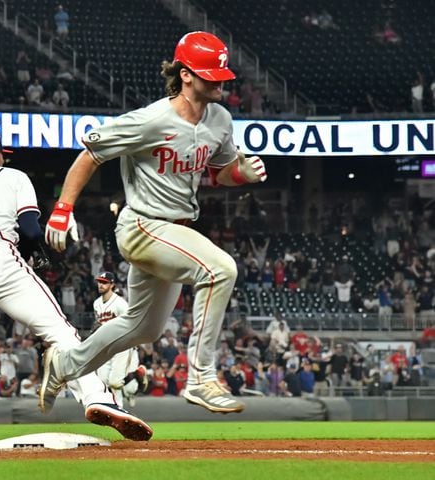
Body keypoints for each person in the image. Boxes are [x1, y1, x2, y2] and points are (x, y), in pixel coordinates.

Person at [41, 32, 267, 416]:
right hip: (142, 226)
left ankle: (64, 364)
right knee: (220, 269)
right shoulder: (150, 120)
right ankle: (201, 377)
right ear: (185, 75)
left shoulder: (220, 120)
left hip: (175, 231)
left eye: (221, 74)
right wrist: (63, 208)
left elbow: (222, 171)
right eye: (210, 74)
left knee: (142, 329)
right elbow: (91, 154)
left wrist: (241, 174)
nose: (219, 81)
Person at [0, 130, 152, 450]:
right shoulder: (11, 175)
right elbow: (28, 227)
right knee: (60, 332)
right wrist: (37, 254)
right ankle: (97, 397)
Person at [92, 271, 147, 408]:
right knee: (103, 380)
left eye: (104, 282)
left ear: (112, 285)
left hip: (121, 344)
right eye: (99, 282)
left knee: (117, 383)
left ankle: (136, 382)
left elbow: (132, 322)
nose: (101, 284)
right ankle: (117, 408)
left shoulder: (120, 303)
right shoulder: (96, 303)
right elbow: (99, 323)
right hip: (105, 345)